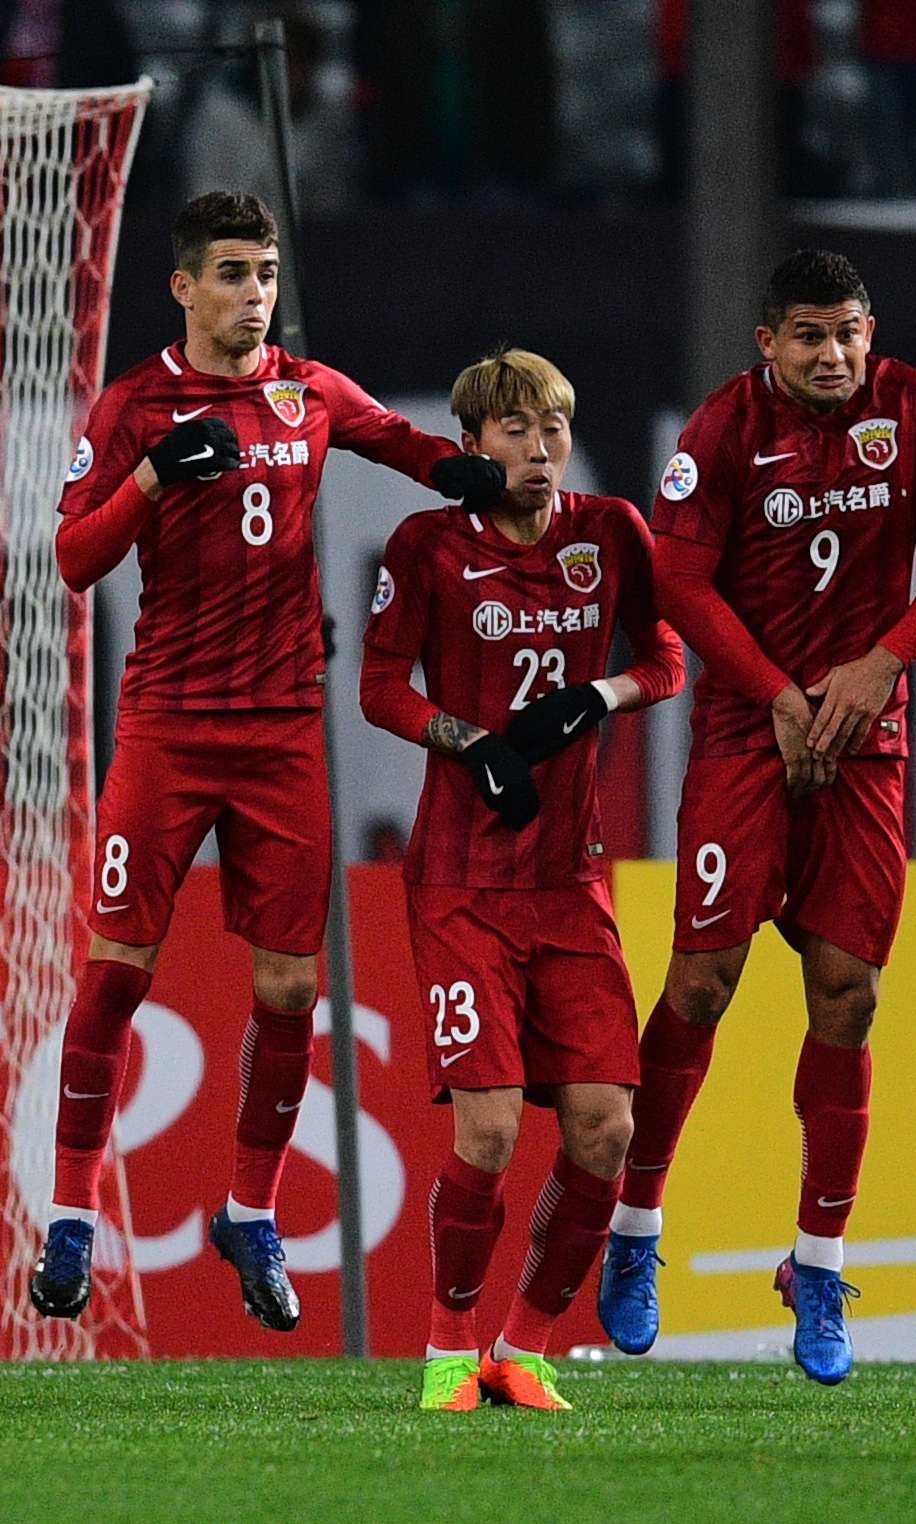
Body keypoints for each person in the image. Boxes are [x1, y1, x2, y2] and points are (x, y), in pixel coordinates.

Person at [34, 190, 504, 1331]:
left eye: (267, 272)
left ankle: (249, 1212)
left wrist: (478, 472)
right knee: (118, 970)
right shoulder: (136, 406)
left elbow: (407, 448)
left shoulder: (307, 390)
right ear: (184, 287)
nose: (256, 294)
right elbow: (71, 560)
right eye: (234, 274)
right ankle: (69, 1219)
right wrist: (150, 481)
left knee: (291, 986)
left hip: (284, 727)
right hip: (170, 724)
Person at [596, 249, 916, 1384]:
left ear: (871, 333)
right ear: (765, 344)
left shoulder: (915, 405)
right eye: (809, 337)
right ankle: (635, 1233)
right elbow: (678, 583)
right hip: (743, 733)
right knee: (701, 983)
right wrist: (777, 696)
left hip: (864, 737)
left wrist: (881, 663)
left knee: (849, 995)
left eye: (849, 333)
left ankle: (816, 1265)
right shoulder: (723, 431)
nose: (833, 356)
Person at [359, 350, 682, 1412]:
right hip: (459, 882)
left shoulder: (611, 534)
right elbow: (375, 686)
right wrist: (468, 743)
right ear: (468, 448)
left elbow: (670, 658)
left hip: (569, 878)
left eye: (551, 429)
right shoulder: (425, 547)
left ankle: (527, 1347)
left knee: (607, 1128)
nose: (539, 450)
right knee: (490, 1129)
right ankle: (450, 1349)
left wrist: (597, 697)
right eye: (514, 432)